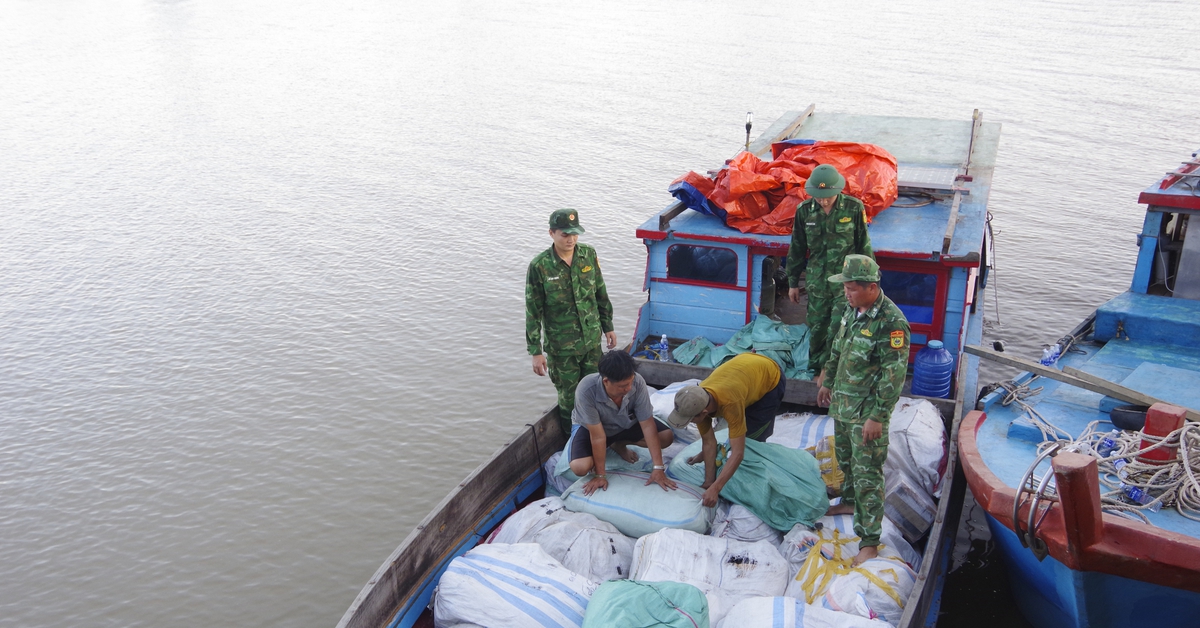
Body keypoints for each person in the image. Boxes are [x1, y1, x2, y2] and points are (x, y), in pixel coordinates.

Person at [817, 254, 910, 566]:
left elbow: (893, 376)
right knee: (845, 460)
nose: (846, 293)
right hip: (843, 404)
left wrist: (877, 417)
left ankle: (869, 541)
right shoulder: (852, 309)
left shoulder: (891, 323)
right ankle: (850, 502)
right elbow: (838, 347)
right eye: (845, 288)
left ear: (872, 288)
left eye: (852, 288)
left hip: (865, 412)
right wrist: (827, 381)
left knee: (867, 473)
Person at [526, 209, 617, 434]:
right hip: (562, 347)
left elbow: (600, 293)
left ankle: (599, 437)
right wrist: (535, 352)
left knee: (598, 390)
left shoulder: (588, 254)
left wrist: (608, 327)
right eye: (565, 234)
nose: (571, 239)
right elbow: (533, 311)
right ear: (552, 233)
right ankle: (573, 441)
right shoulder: (540, 266)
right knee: (569, 398)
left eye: (575, 234)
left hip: (592, 341)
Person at [665, 352, 787, 507]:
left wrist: (716, 488)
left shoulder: (730, 403)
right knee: (733, 438)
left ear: (704, 413)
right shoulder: (699, 398)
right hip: (745, 369)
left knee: (752, 438)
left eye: (691, 420)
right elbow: (709, 442)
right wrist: (709, 482)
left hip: (770, 376)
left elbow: (738, 453)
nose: (691, 423)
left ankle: (757, 477)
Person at [785, 164, 874, 372]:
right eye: (819, 196)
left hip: (847, 284)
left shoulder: (854, 208)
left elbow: (864, 245)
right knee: (817, 328)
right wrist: (793, 283)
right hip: (817, 282)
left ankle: (834, 372)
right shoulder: (804, 211)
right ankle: (816, 371)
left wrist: (869, 282)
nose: (823, 200)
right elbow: (796, 248)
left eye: (828, 196)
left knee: (839, 327)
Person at [568, 350, 677, 495]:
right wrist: (600, 475)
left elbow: (647, 424)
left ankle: (619, 444)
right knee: (580, 467)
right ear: (606, 381)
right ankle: (612, 444)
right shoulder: (587, 389)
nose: (629, 388)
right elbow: (598, 436)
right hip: (594, 428)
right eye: (623, 386)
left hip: (625, 423)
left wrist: (658, 467)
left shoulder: (637, 382)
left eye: (630, 382)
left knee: (666, 436)